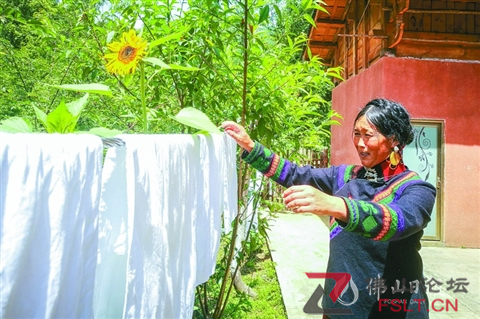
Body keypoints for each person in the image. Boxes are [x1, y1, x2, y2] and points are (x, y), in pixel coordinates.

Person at [222, 98, 436, 319]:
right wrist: (250, 146)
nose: (360, 143)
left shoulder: (416, 189)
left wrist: (334, 204)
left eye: (368, 135)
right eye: (356, 133)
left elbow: (396, 222)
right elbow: (295, 174)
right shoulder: (344, 176)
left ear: (394, 140)